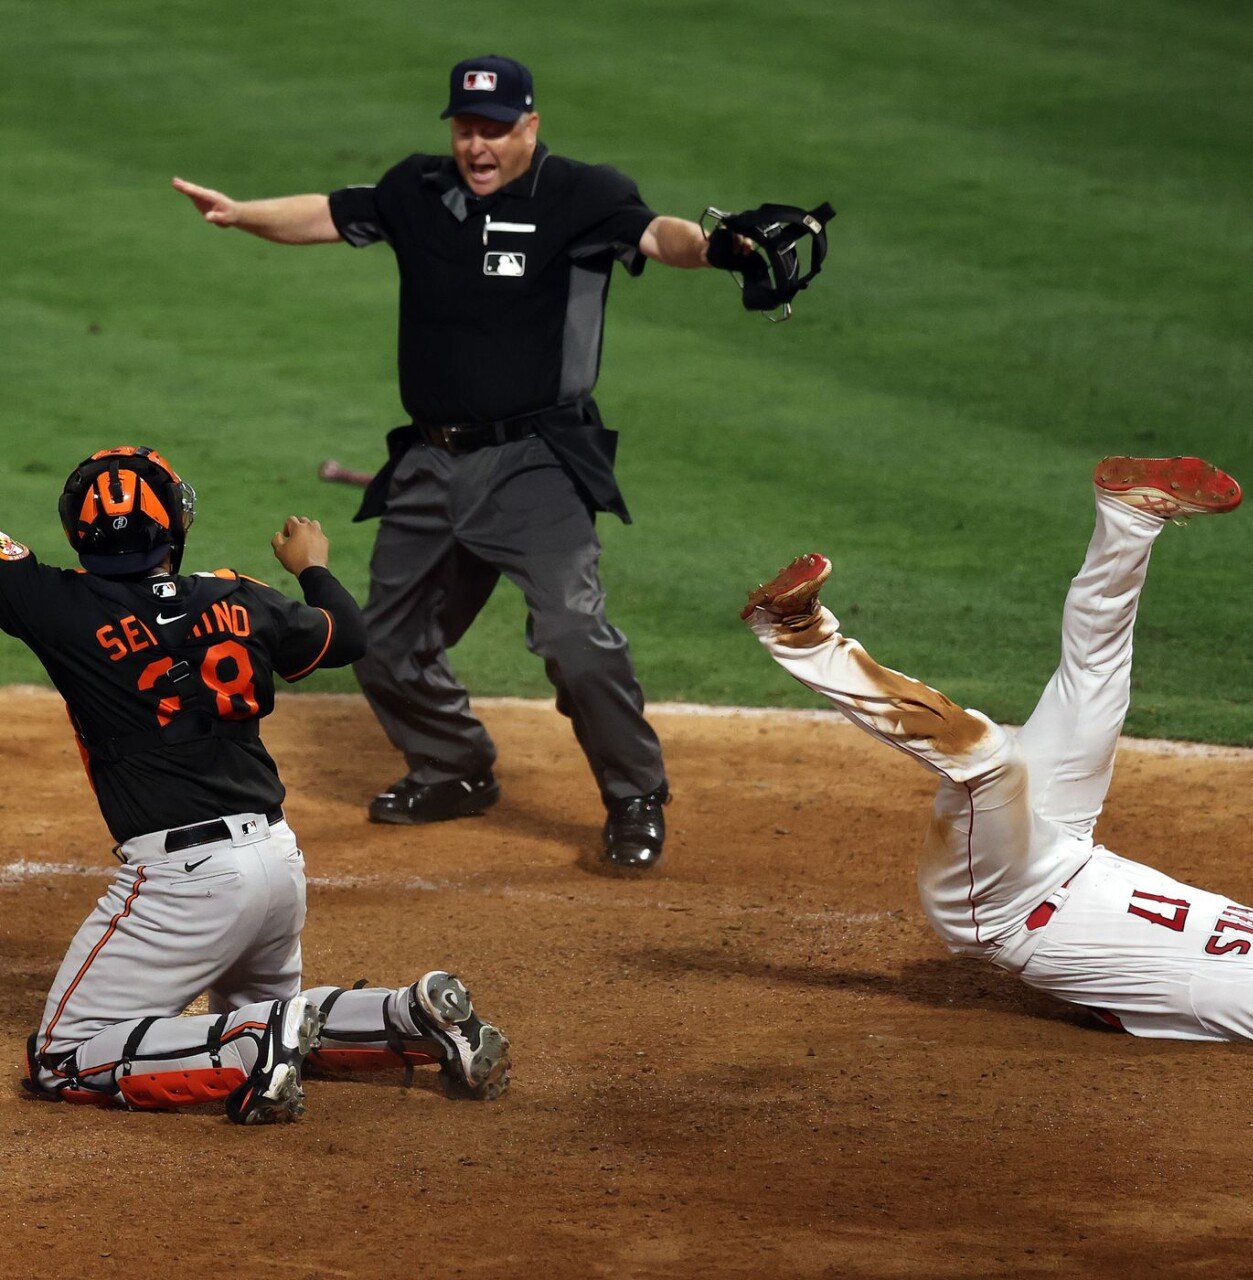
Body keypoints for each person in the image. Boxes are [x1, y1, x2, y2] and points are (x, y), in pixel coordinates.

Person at [172, 54, 755, 871]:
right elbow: (328, 215)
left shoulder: (580, 195)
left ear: (530, 126)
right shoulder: (417, 190)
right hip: (429, 462)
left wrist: (723, 247)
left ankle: (634, 795)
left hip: (536, 462)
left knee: (573, 635)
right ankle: (453, 767)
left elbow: (662, 237)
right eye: (465, 128)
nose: (478, 147)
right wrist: (239, 213)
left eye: (495, 130)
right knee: (378, 641)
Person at [10, 446, 509, 1124]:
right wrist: (312, 567)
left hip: (184, 883)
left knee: (62, 1057)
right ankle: (411, 1013)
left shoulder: (55, 604)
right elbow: (346, 634)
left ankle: (249, 1048)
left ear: (77, 533)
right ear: (174, 530)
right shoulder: (239, 598)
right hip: (277, 863)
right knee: (276, 1017)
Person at [739, 455, 1253, 1043]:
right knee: (1096, 675)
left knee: (986, 759)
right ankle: (1130, 519)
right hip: (1068, 848)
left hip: (1003, 908)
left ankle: (797, 633)